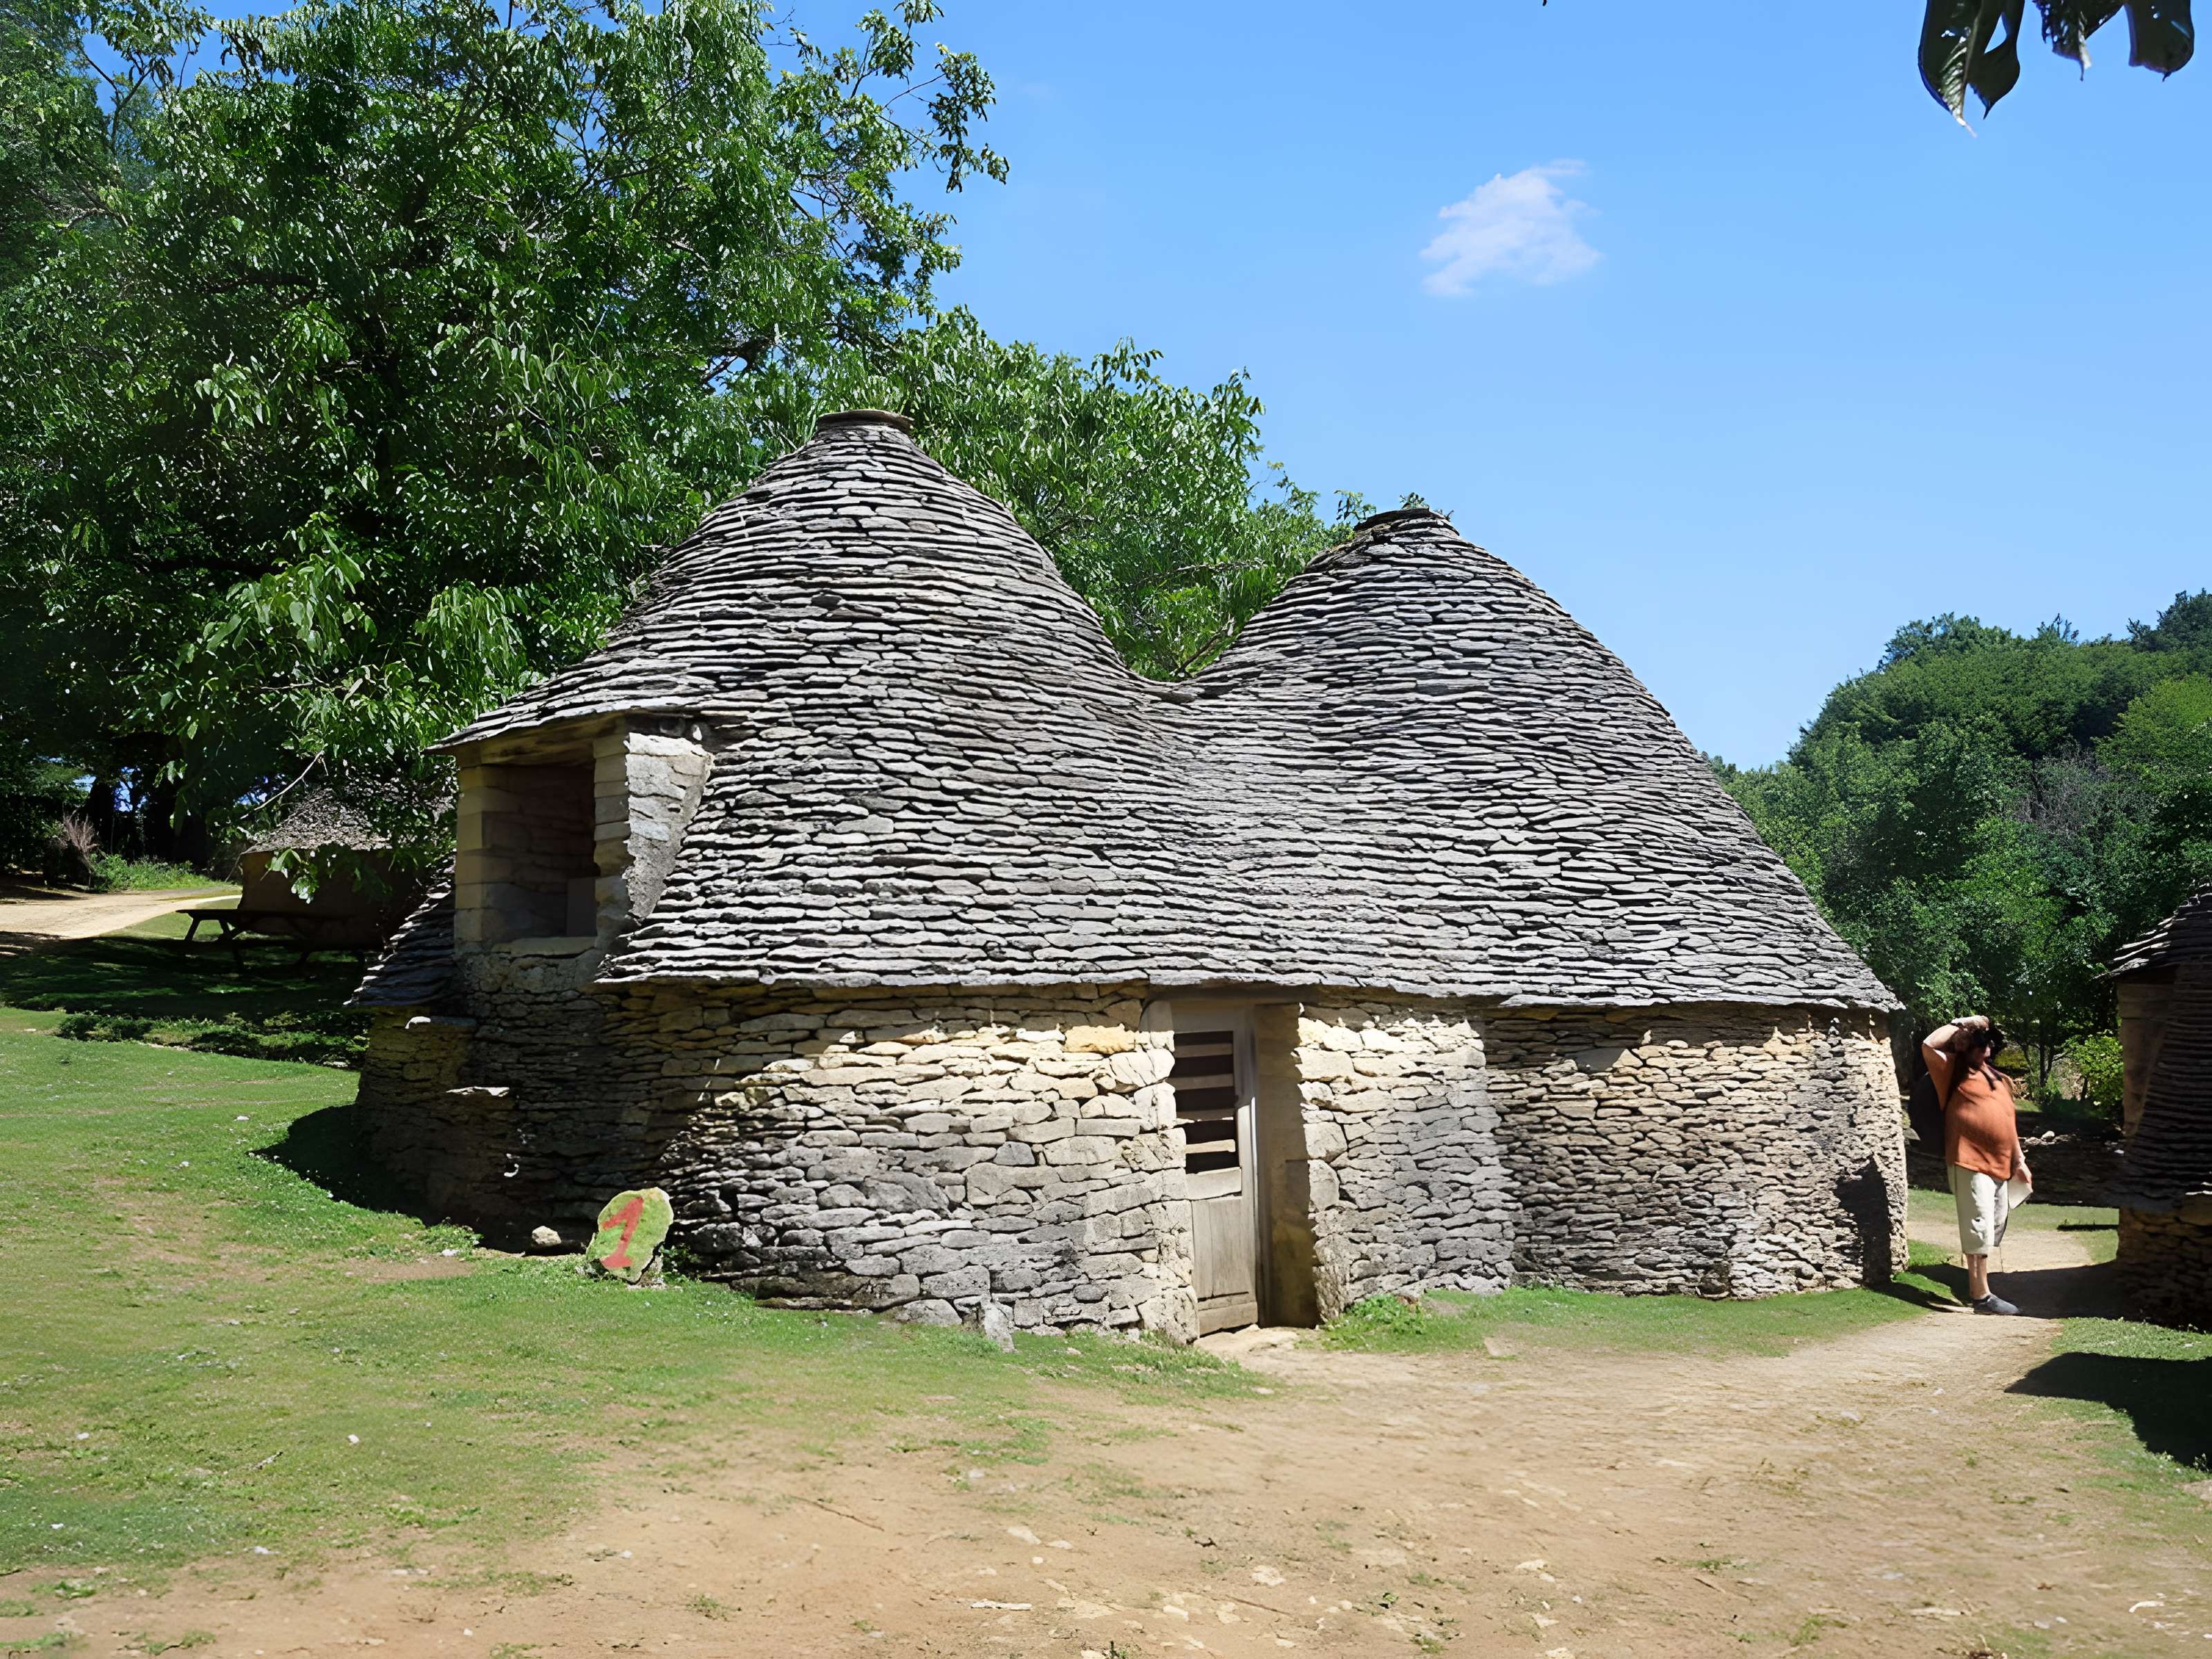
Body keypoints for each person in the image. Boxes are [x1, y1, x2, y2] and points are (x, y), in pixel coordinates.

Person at [1921, 1014, 2031, 1315]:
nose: (1987, 1049)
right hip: (1969, 1160)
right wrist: (1964, 1023)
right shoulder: (1952, 1071)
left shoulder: (1997, 1078)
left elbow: (2008, 1123)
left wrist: (2019, 1160)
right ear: (1965, 1046)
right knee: (1978, 1225)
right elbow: (1929, 1044)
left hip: (1999, 1163)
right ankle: (1980, 1296)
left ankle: (1982, 1288)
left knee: (1992, 1225)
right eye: (1981, 1043)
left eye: (1990, 1043)